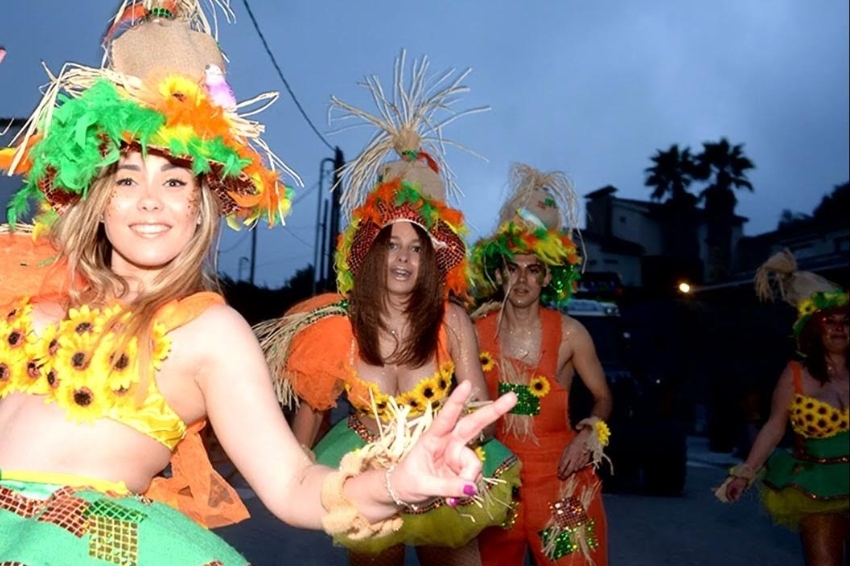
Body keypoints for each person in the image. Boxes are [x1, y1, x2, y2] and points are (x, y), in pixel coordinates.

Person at [0, 6, 516, 564]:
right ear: (99, 200)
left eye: (175, 180)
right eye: (127, 178)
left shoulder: (209, 333)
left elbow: (293, 483)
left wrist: (394, 484)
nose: (150, 198)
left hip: (74, 544)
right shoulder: (26, 282)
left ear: (201, 208)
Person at [255, 53, 521, 566]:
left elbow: (480, 412)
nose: (403, 257)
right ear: (373, 254)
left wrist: (445, 439)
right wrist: (294, 469)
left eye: (417, 247)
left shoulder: (453, 321)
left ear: (429, 260)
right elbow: (312, 405)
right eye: (392, 245)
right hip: (367, 471)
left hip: (439, 467)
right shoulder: (340, 323)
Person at [470, 163, 613, 566]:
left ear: (548, 277)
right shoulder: (473, 332)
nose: (522, 280)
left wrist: (590, 434)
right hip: (496, 484)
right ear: (499, 274)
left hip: (561, 485)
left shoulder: (570, 334)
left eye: (533, 269)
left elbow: (603, 397)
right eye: (512, 268)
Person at [717, 250, 849, 566]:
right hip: (817, 485)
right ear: (812, 330)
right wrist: (744, 473)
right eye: (829, 322)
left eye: (846, 322)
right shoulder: (795, 376)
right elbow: (775, 427)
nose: (839, 328)